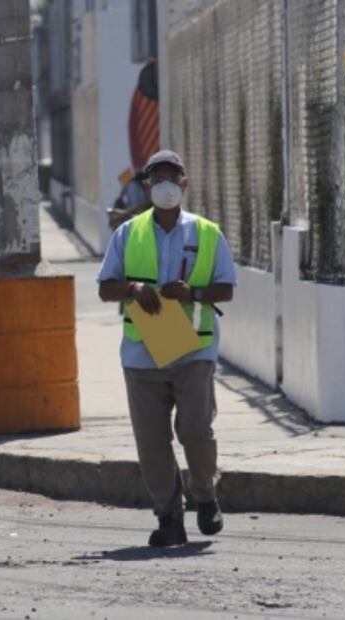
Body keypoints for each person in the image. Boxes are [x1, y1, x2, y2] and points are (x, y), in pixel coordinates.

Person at [96, 149, 236, 547]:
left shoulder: (207, 233)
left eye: (172, 178)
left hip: (194, 350)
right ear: (146, 186)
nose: (165, 186)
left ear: (185, 184)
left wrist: (194, 292)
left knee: (195, 429)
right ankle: (168, 517)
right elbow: (106, 287)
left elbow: (227, 288)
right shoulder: (128, 233)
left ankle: (206, 496)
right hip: (143, 353)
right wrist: (133, 290)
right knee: (152, 442)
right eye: (157, 179)